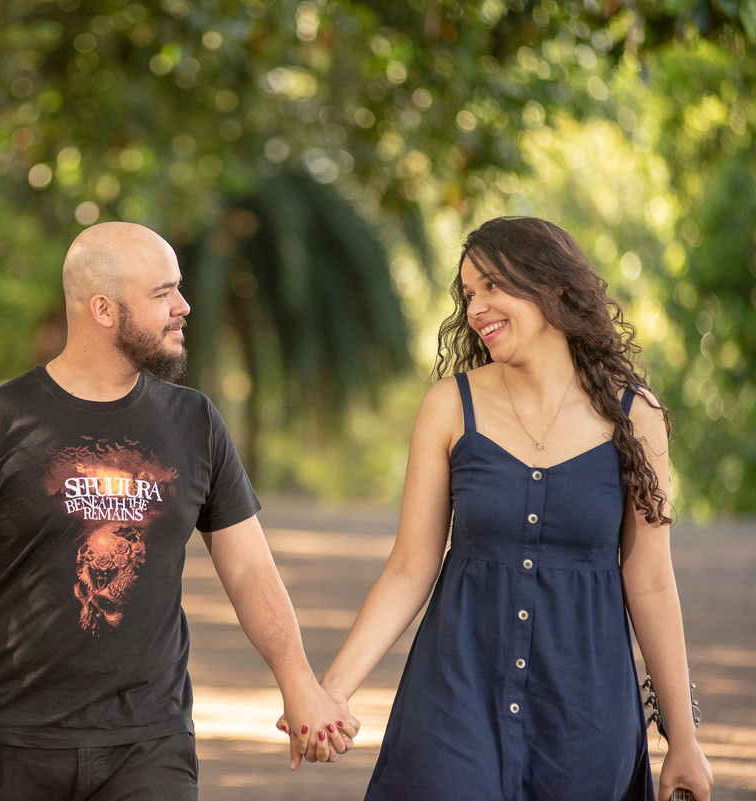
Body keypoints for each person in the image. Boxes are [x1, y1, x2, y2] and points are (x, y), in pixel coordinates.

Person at [0, 221, 358, 801]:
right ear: (104, 310)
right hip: (10, 742)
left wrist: (300, 684)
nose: (184, 307)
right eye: (162, 294)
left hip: (150, 740)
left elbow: (249, 570)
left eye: (179, 289)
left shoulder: (195, 422)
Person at [303, 216, 713, 800]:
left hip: (587, 711)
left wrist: (684, 740)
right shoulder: (450, 407)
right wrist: (333, 691)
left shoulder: (634, 416)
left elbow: (649, 579)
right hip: (455, 698)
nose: (476, 307)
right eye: (469, 293)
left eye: (494, 285)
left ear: (552, 285)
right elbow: (409, 566)